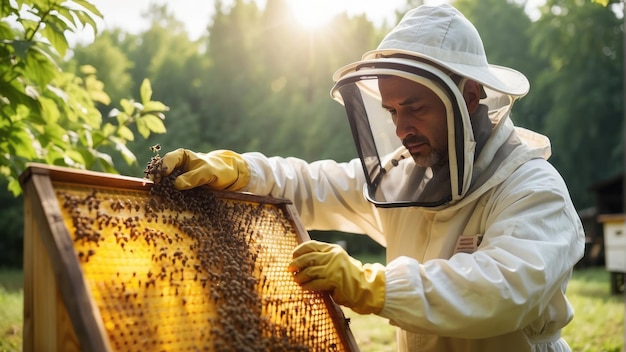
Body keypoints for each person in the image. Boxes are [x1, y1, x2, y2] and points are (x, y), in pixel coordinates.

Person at [158, 4, 585, 351]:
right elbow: (313, 184)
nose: (402, 129)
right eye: (392, 111)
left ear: (469, 97)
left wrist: (371, 285)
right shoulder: (409, 175)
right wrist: (241, 170)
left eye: (415, 108)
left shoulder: (531, 189)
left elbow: (503, 290)